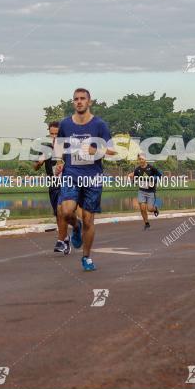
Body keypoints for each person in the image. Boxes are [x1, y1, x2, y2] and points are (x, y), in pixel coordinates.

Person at [55, 88, 116, 271]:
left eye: (82, 99)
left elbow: (112, 152)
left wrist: (95, 151)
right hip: (71, 174)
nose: (79, 102)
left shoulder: (99, 125)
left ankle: (86, 257)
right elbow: (59, 145)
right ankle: (76, 225)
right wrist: (59, 161)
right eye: (76, 99)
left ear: (89, 102)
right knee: (66, 212)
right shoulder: (65, 124)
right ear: (73, 102)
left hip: (92, 177)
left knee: (89, 220)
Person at [34, 121, 67, 253]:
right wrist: (39, 162)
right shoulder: (45, 148)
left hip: (66, 182)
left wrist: (64, 166)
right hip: (53, 183)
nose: (54, 136)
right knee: (57, 215)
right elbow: (35, 167)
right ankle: (65, 238)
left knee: (61, 212)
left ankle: (60, 241)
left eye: (56, 134)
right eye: (51, 133)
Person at [128, 153, 162, 230]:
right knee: (142, 208)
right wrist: (132, 179)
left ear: (145, 159)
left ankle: (155, 209)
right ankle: (146, 223)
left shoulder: (151, 168)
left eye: (142, 159)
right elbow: (135, 180)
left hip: (151, 191)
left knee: (149, 209)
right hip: (141, 191)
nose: (141, 160)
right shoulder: (137, 169)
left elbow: (160, 175)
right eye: (139, 159)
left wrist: (154, 180)